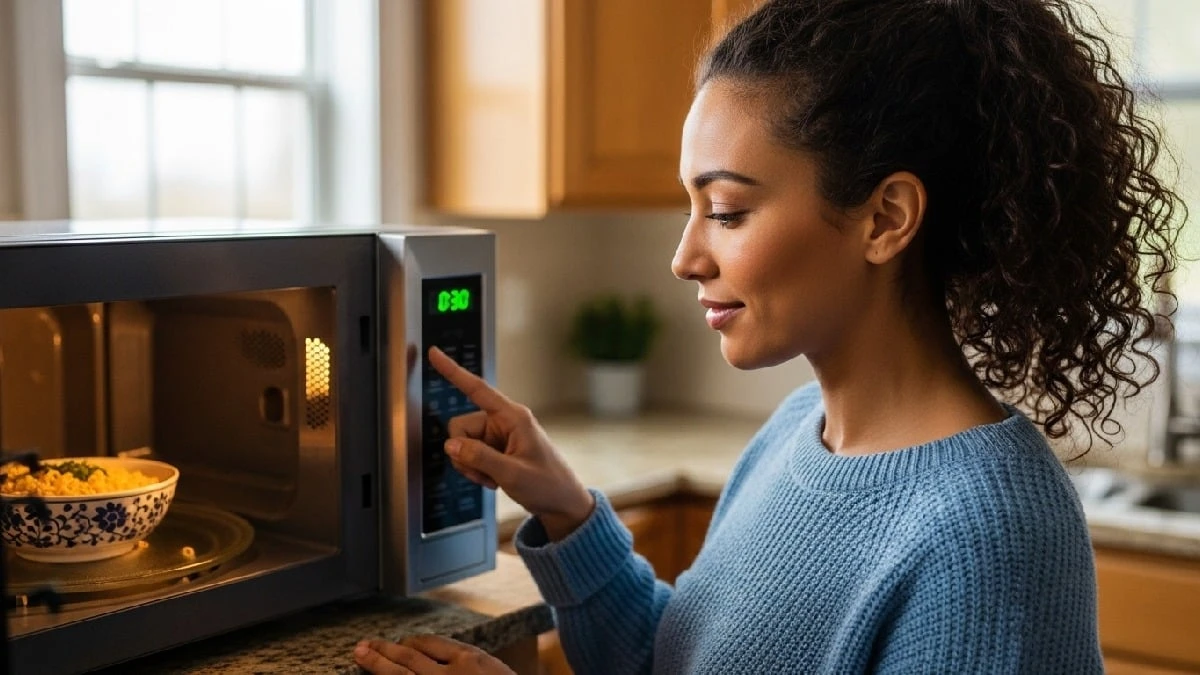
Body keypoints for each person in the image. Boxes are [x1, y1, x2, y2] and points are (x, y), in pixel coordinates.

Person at [354, 0, 1183, 672]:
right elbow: (674, 659)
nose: (685, 257)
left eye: (726, 211)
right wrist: (567, 509)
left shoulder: (990, 536)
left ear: (885, 218)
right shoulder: (796, 431)